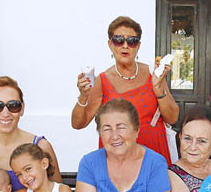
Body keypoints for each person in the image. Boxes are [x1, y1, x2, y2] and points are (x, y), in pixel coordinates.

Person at [71, 16, 179, 162]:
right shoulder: (102, 81)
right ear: (110, 44)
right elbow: (78, 124)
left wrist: (158, 88)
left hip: (153, 153)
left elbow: (172, 118)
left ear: (138, 46)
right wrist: (83, 97)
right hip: (118, 156)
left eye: (132, 41)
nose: (125, 45)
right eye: (118, 40)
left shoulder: (153, 74)